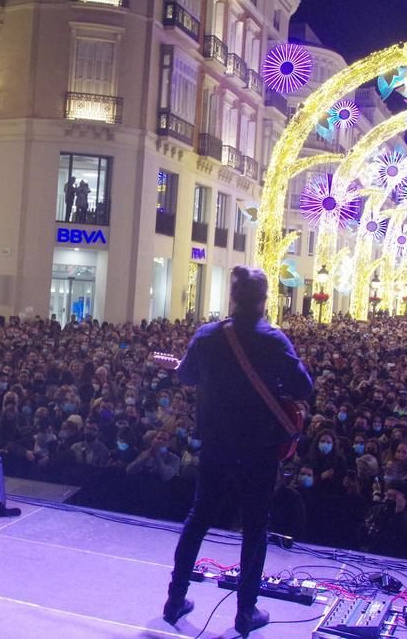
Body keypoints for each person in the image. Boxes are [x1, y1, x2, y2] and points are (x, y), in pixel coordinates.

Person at [157, 266, 313, 633]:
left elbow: (187, 376)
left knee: (198, 519)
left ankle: (175, 600)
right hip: (259, 447)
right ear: (263, 301)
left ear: (232, 297)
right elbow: (303, 387)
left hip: (216, 442)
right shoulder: (274, 340)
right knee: (255, 526)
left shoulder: (208, 335)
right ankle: (246, 612)